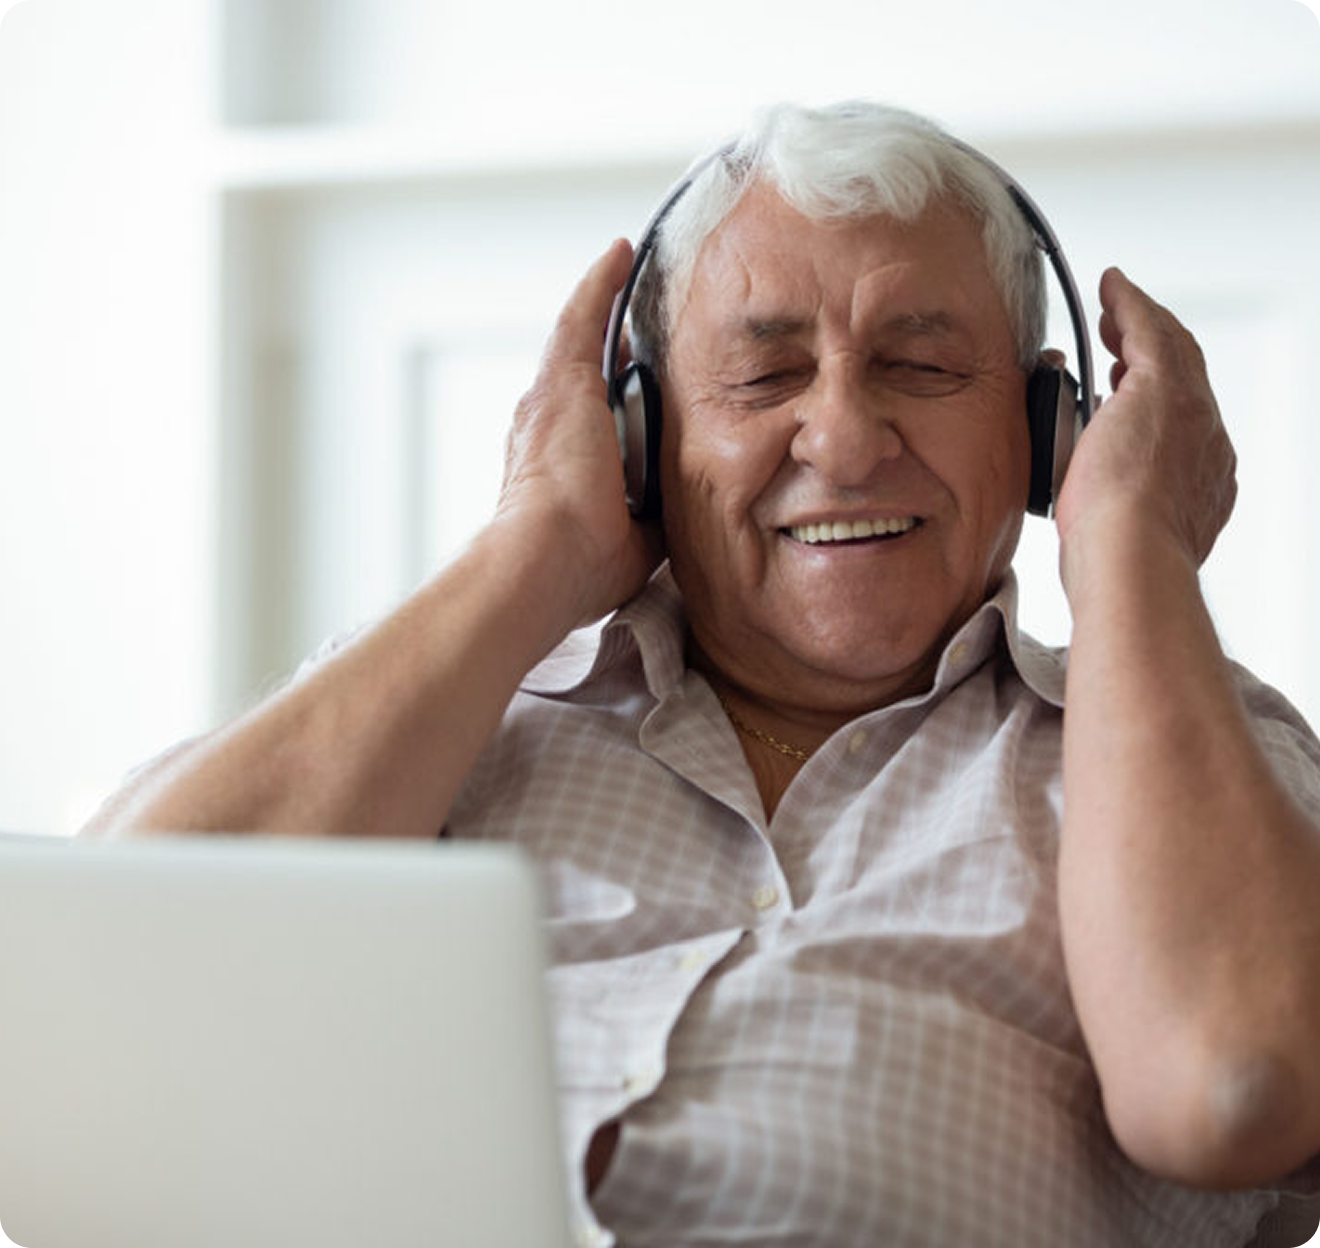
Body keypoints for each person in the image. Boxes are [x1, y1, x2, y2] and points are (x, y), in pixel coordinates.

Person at [86, 101, 1320, 1246]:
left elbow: (1236, 1087)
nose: (842, 440)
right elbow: (99, 979)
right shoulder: (453, 706)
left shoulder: (1190, 753)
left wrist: (1132, 540)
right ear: (640, 437)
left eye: (922, 365)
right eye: (764, 375)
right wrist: (535, 541)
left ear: (1053, 435)